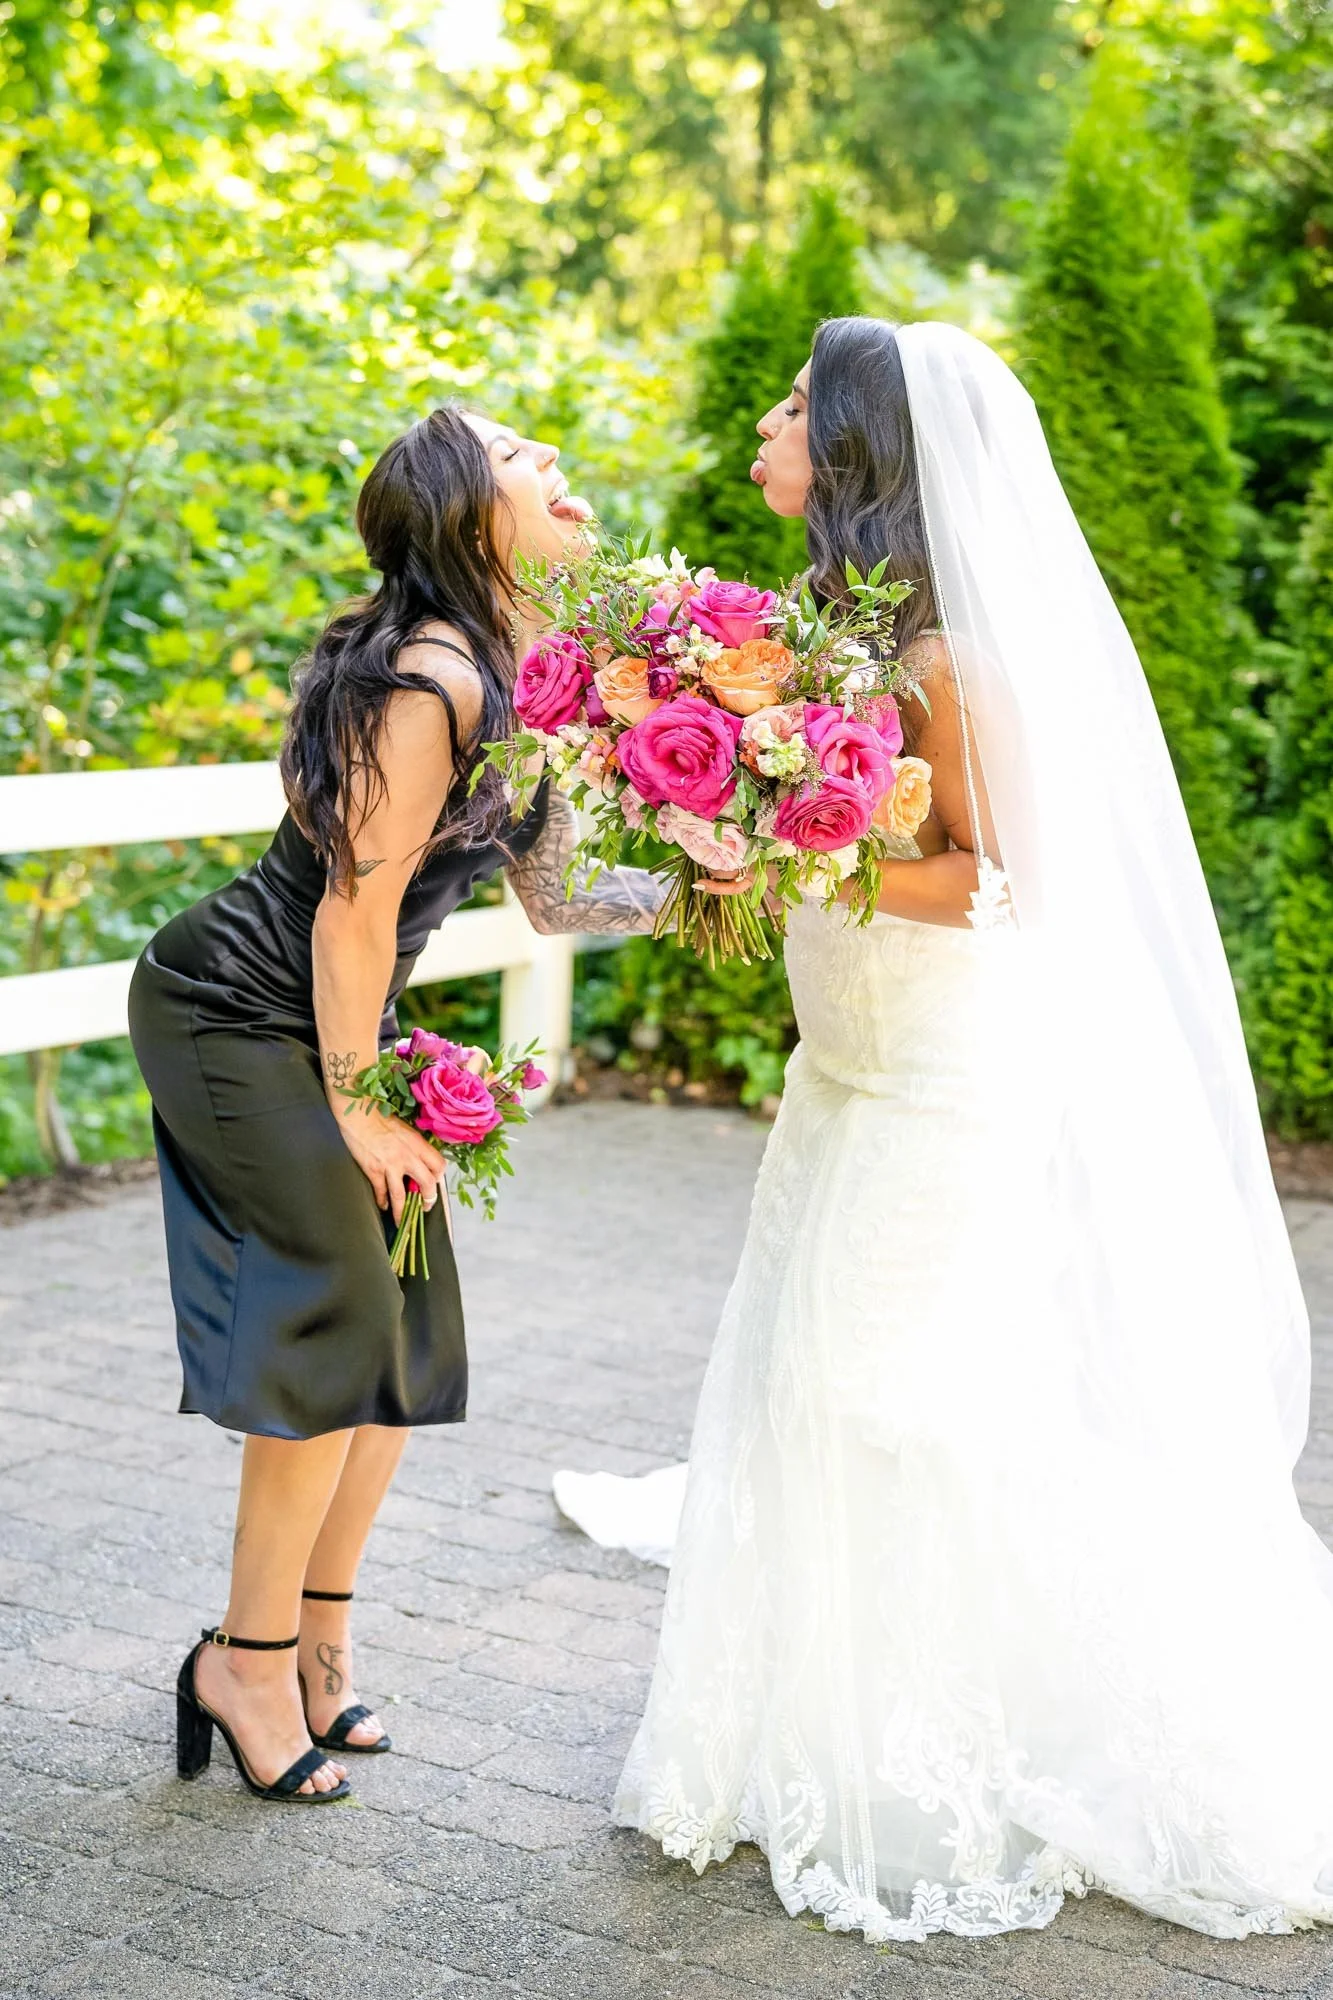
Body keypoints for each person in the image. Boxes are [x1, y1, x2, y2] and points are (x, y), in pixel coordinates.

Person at [587, 319, 1333, 1941]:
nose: (769, 422)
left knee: (883, 1393)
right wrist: (720, 817)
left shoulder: (947, 661)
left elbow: (1002, 885)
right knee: (794, 1371)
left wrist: (788, 857)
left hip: (946, 1070)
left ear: (857, 456)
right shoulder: (815, 639)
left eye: (797, 407)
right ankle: (801, 1737)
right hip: (844, 1064)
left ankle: (930, 1764)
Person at [129, 405, 664, 1803]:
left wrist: (722, 882)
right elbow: (356, 914)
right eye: (521, 456)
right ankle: (240, 1664)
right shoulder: (424, 678)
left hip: (320, 1022)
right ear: (466, 513)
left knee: (406, 1320)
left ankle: (315, 1647)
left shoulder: (521, 676)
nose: (556, 463)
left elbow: (555, 898)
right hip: (235, 1011)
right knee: (338, 1312)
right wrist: (361, 1101)